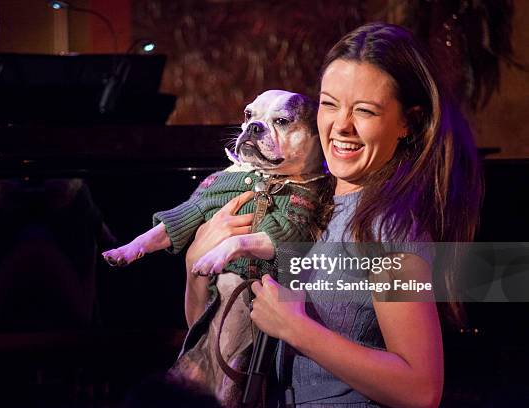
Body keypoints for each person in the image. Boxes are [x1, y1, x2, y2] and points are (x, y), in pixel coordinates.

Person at [185, 22, 482, 408]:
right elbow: (211, 334)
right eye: (329, 104)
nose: (341, 126)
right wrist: (195, 268)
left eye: (365, 111)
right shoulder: (304, 204)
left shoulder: (389, 226)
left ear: (408, 122)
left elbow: (421, 389)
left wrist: (296, 328)